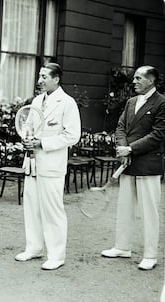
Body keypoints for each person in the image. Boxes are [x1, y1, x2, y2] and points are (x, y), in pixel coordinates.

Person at [15, 63, 81, 270]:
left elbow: (72, 135)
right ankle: (34, 248)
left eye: (44, 76)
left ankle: (56, 255)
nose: (40, 80)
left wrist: (42, 143)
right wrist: (26, 139)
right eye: (40, 76)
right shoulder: (36, 101)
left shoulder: (67, 103)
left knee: (52, 210)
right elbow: (29, 126)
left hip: (52, 165)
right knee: (31, 206)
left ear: (56, 79)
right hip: (32, 163)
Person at [101, 66, 165, 270]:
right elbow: (121, 127)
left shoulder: (162, 103)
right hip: (128, 163)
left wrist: (130, 148)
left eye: (139, 78)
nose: (134, 81)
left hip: (148, 165)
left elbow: (158, 135)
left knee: (149, 212)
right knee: (125, 208)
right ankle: (122, 247)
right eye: (135, 78)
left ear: (151, 81)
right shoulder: (131, 102)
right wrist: (122, 147)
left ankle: (150, 255)